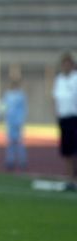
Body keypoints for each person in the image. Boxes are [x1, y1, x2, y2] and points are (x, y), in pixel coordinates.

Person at [52, 52, 77, 191]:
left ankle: (75, 178)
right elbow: (55, 98)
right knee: (67, 151)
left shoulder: (75, 79)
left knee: (75, 151)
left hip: (75, 118)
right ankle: (69, 178)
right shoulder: (59, 79)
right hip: (64, 118)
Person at [2, 77, 28, 170]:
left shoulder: (21, 95)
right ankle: (10, 161)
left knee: (19, 142)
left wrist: (20, 120)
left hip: (17, 121)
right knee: (10, 142)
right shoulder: (8, 95)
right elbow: (3, 106)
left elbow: (23, 109)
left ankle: (22, 161)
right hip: (10, 121)